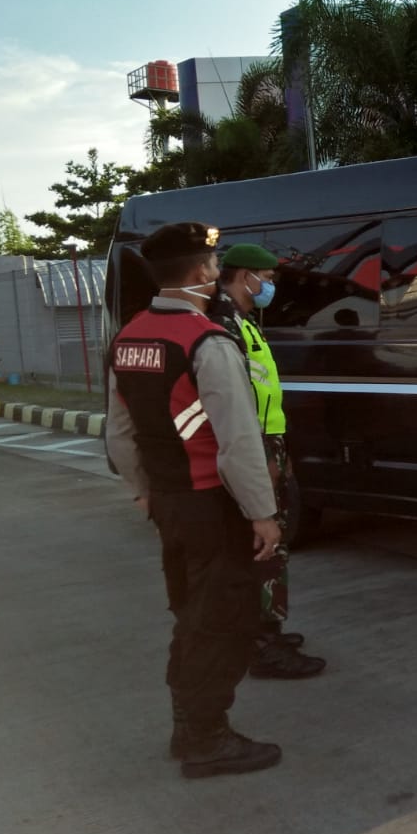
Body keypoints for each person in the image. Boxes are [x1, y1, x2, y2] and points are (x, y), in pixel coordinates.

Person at [106, 222, 283, 779]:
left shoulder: (130, 336)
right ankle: (206, 739)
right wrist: (263, 514)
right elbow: (237, 440)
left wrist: (142, 491)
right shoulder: (205, 340)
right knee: (222, 622)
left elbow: (118, 432)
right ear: (202, 272)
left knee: (191, 614)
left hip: (170, 505)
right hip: (213, 505)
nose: (214, 273)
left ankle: (190, 727)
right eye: (211, 265)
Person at [210, 242, 326, 679]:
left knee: (269, 545)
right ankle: (263, 645)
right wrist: (262, 456)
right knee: (264, 547)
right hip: (254, 449)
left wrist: (282, 452)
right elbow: (235, 405)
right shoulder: (224, 326)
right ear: (246, 278)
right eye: (269, 281)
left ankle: (265, 627)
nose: (271, 288)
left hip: (269, 445)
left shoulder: (243, 321)